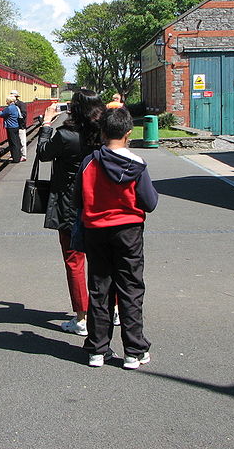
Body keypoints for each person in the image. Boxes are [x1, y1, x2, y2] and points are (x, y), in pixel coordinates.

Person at [75, 107, 159, 369]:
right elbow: (149, 202)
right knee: (130, 287)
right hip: (129, 232)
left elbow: (77, 198)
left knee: (100, 288)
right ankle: (134, 351)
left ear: (102, 133)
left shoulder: (89, 162)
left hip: (96, 231)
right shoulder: (137, 164)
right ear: (128, 133)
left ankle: (97, 349)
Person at [37, 90, 105, 336]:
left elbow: (43, 153)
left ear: (73, 109)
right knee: (105, 260)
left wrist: (46, 123)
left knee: (74, 262)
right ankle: (114, 309)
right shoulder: (103, 133)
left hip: (69, 204)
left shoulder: (65, 135)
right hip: (100, 203)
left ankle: (82, 317)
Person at [0, 96, 22, 163]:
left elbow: (2, 115)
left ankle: (15, 158)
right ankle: (18, 156)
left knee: (12, 143)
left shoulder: (9, 108)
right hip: (16, 126)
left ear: (9, 101)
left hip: (10, 127)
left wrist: (0, 112)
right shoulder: (16, 107)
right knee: (17, 142)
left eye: (7, 101)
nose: (6, 102)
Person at [10, 90, 28, 161]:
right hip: (15, 126)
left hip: (20, 126)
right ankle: (16, 155)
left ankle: (23, 156)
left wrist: (16, 116)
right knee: (15, 141)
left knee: (22, 141)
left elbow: (24, 114)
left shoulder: (21, 104)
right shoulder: (12, 105)